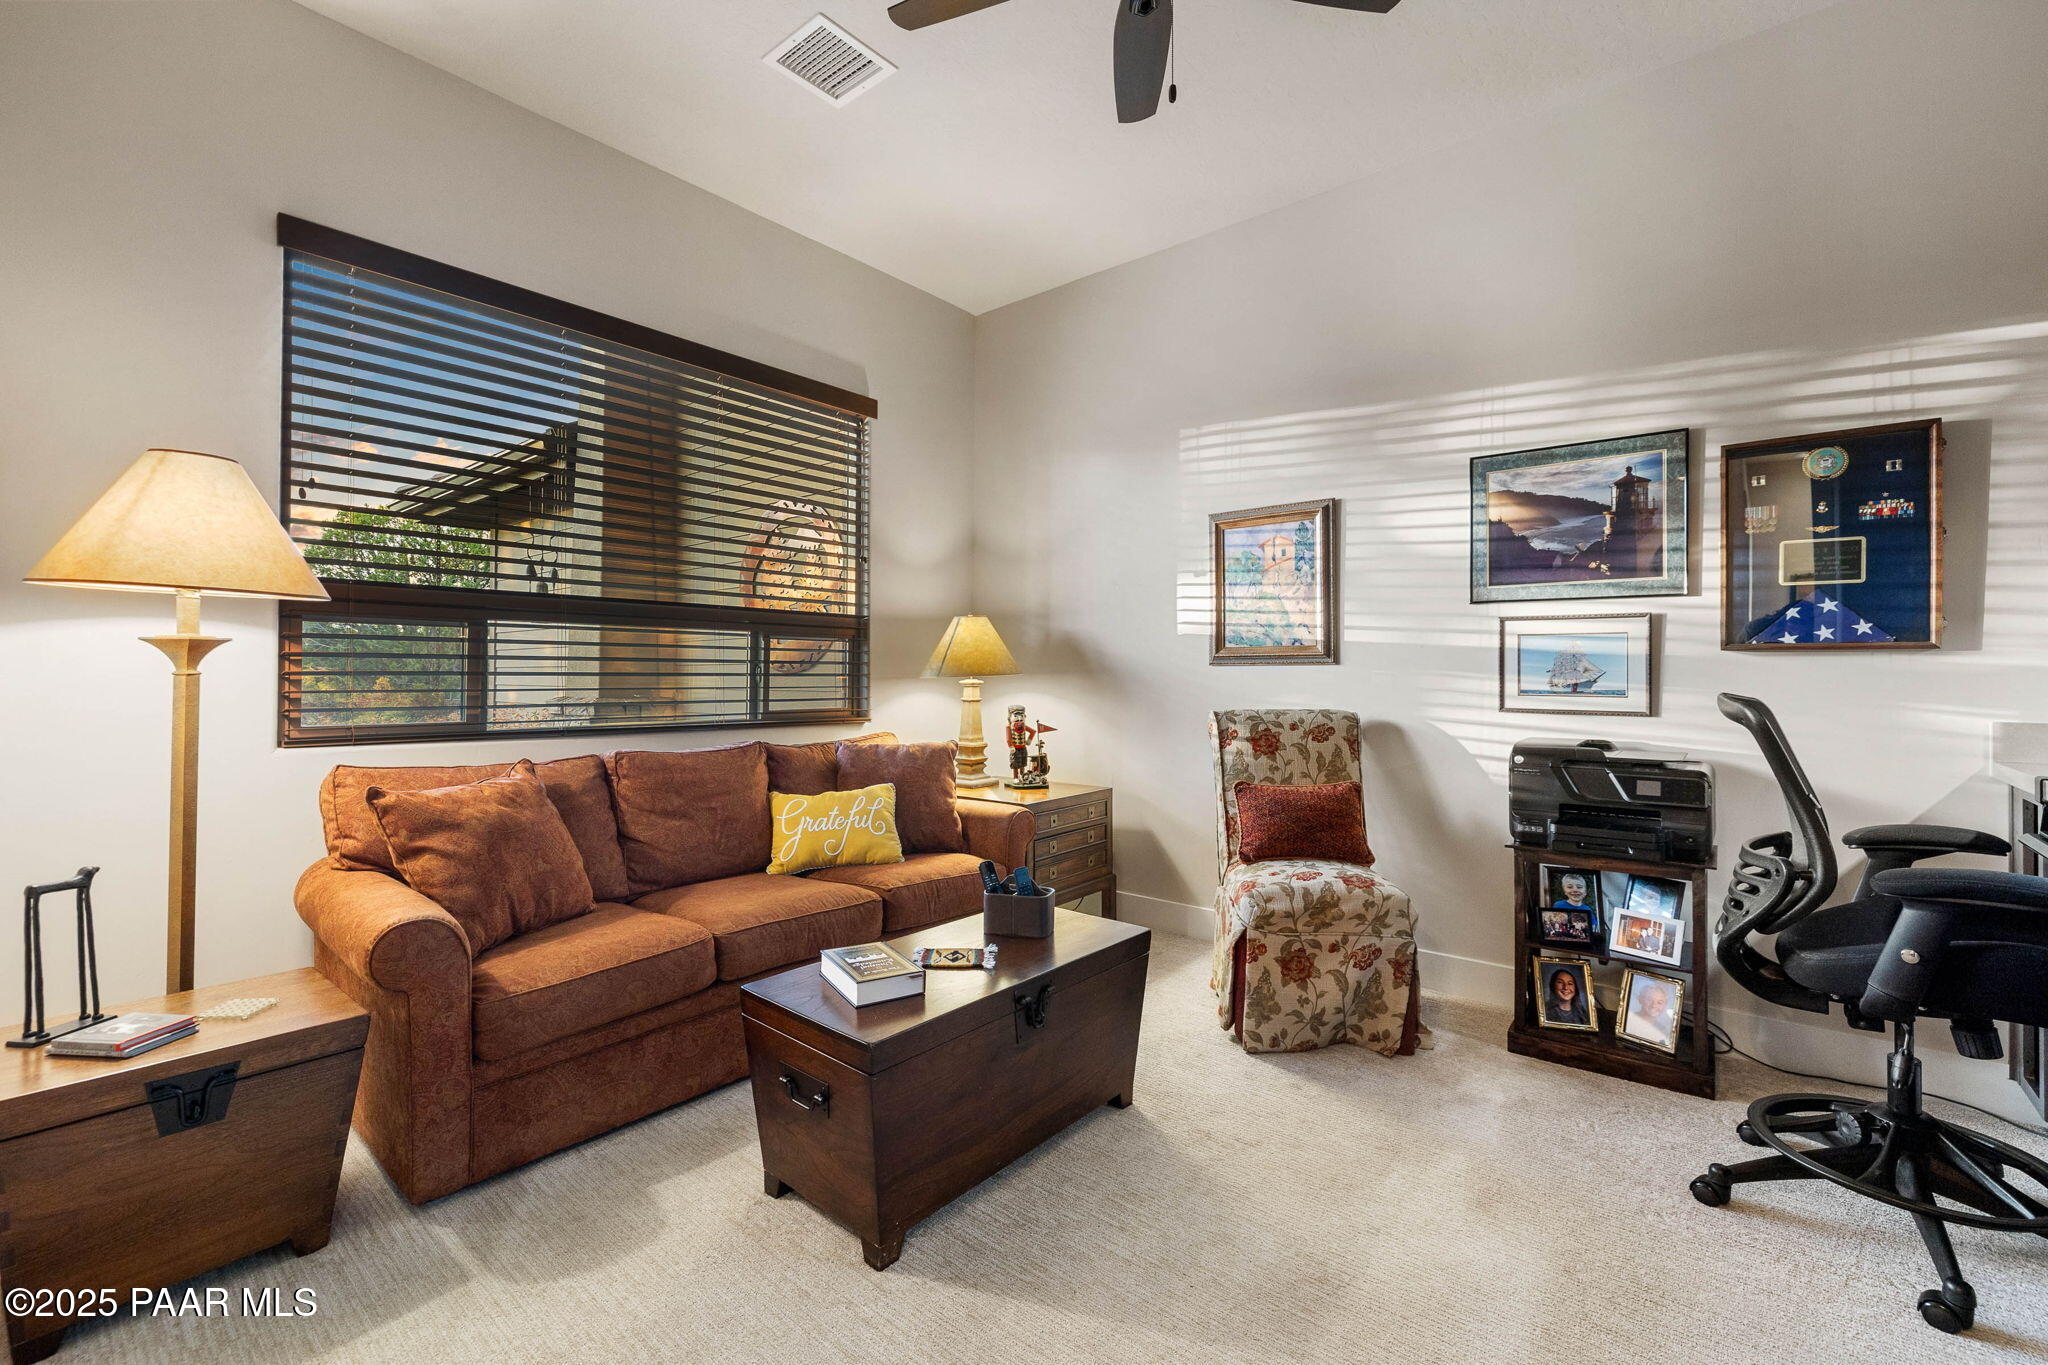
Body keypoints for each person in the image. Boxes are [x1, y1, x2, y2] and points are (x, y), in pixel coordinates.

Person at [1626, 978, 1676, 1047]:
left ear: (1665, 1005)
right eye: (1649, 999)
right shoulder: (1629, 1020)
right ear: (1640, 999)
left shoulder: (1662, 1029)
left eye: (1660, 1002)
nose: (1654, 1005)